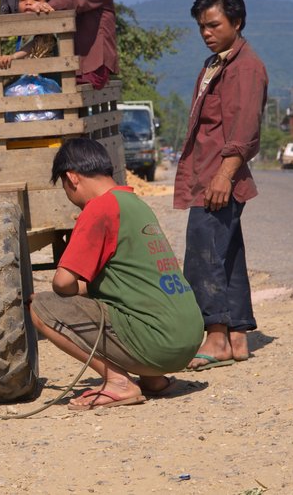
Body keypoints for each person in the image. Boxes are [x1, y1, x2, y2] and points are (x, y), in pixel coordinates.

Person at [30, 138, 205, 411]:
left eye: (65, 189)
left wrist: (77, 291)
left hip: (161, 343)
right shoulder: (134, 203)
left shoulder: (99, 207)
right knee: (119, 299)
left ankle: (117, 382)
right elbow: (132, 280)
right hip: (189, 337)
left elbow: (62, 282)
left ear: (72, 178)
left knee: (41, 307)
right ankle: (154, 379)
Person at [173, 0, 268, 371]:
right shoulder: (219, 62)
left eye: (213, 25)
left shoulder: (245, 67)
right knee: (226, 255)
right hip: (208, 175)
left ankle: (214, 338)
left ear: (237, 21)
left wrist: (224, 176)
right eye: (201, 27)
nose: (206, 33)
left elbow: (244, 130)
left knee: (203, 254)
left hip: (218, 178)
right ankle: (237, 338)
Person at [0, 0, 57, 69]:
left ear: (47, 3)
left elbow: (35, 43)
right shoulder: (22, 31)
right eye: (22, 0)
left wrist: (13, 56)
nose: (28, 2)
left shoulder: (50, 24)